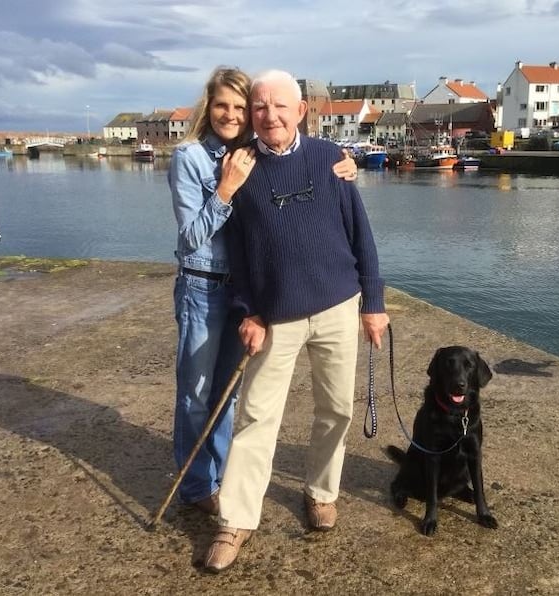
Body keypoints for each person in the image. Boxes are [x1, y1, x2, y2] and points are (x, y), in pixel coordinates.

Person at [203, 70, 389, 572]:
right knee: (256, 419)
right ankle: (236, 521)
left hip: (337, 305)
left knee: (336, 410)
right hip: (276, 318)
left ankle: (321, 491)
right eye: (259, 107)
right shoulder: (239, 166)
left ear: (301, 110)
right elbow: (236, 254)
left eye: (280, 106)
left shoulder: (331, 160)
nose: (270, 116)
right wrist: (250, 312)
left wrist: (373, 303)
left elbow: (361, 237)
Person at [169, 67, 357, 516]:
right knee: (196, 394)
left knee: (229, 395)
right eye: (223, 106)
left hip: (248, 293)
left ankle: (218, 477)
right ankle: (199, 488)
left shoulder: (251, 155)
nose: (232, 115)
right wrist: (227, 189)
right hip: (204, 286)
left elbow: (297, 182)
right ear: (207, 108)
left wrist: (341, 163)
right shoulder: (191, 157)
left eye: (240, 107)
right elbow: (189, 238)